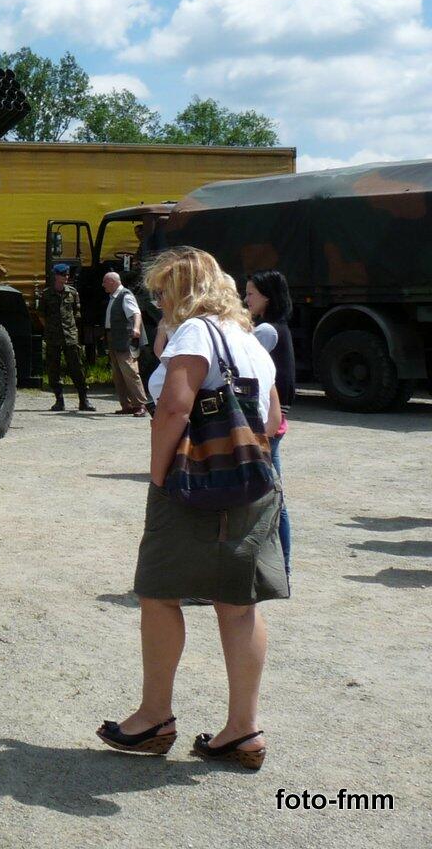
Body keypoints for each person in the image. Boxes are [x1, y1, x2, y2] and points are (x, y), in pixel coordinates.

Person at [98, 247, 284, 771]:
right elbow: (272, 420)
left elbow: (175, 408)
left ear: (182, 291)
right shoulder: (248, 338)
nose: (157, 302)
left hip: (193, 486)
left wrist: (160, 479)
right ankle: (243, 730)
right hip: (252, 483)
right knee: (239, 604)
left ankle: (154, 717)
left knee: (158, 594)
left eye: (162, 292)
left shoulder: (195, 333)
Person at [245, 270, 296, 578]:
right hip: (273, 422)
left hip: (266, 423)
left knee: (272, 499)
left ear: (267, 296)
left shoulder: (266, 331)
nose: (246, 299)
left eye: (251, 293)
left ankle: (281, 568)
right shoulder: (275, 327)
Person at [41, 264, 92, 412]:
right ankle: (59, 400)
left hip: (70, 336)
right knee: (53, 369)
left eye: (68, 274)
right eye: (64, 274)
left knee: (77, 368)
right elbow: (41, 315)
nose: (67, 277)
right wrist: (51, 328)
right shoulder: (46, 294)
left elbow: (76, 314)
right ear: (56, 276)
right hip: (53, 337)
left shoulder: (72, 293)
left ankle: (83, 400)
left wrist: (71, 329)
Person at [102, 271, 148, 417]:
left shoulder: (125, 295)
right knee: (118, 374)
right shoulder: (113, 297)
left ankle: (141, 405)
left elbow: (136, 313)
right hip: (113, 338)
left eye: (105, 282)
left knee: (130, 371)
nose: (103, 285)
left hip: (124, 339)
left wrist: (136, 328)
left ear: (113, 282)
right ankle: (127, 405)